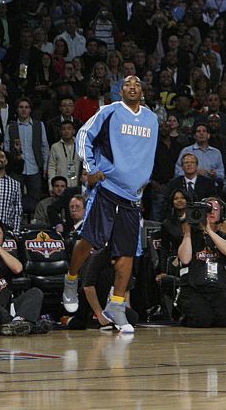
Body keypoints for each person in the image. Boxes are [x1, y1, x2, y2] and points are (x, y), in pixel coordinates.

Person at [61, 75, 158, 332]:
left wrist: (143, 178)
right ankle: (71, 278)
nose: (133, 87)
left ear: (143, 90)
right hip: (107, 189)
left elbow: (145, 154)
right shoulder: (109, 111)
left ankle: (116, 304)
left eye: (137, 83)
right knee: (91, 240)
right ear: (120, 91)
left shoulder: (152, 118)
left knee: (127, 255)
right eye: (127, 84)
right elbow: (83, 136)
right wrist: (91, 167)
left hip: (133, 197)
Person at [177, 197, 226, 328]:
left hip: (216, 288)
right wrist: (187, 233)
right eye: (207, 209)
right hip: (193, 288)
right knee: (201, 320)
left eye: (215, 209)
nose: (211, 212)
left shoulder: (225, 237)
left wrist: (208, 230)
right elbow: (185, 259)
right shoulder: (191, 237)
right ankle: (185, 316)